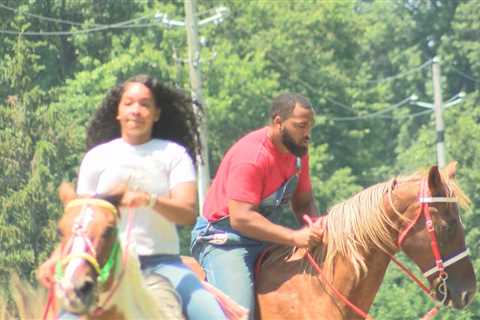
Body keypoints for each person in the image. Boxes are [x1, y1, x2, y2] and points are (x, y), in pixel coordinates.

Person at [38, 74, 226, 320]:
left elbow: (187, 212)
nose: (136, 110)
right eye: (128, 103)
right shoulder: (97, 157)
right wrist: (56, 258)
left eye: (144, 104)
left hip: (162, 264)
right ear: (118, 111)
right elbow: (81, 223)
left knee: (211, 314)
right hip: (106, 267)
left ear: (157, 113)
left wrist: (149, 200)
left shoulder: (174, 155)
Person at [190, 92, 325, 319]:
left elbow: (303, 202)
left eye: (310, 126)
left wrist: (320, 230)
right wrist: (294, 237)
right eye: (301, 126)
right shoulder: (252, 156)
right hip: (225, 240)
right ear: (278, 122)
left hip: (266, 240)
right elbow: (241, 218)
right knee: (239, 315)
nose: (307, 134)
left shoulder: (298, 154)